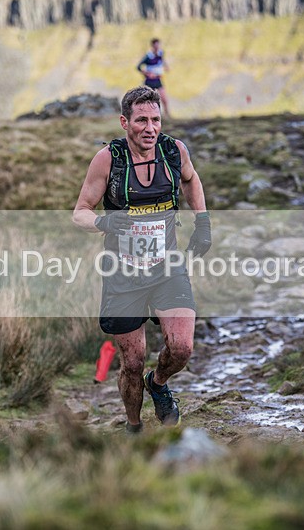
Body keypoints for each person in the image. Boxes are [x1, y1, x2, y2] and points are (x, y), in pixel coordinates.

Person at [73, 86, 211, 433]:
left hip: (167, 267)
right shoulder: (108, 159)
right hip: (123, 274)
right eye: (141, 120)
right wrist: (104, 221)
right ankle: (134, 428)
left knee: (181, 347)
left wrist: (203, 223)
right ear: (125, 122)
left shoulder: (173, 151)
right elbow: (80, 213)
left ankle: (160, 382)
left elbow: (192, 181)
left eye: (156, 120)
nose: (150, 128)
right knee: (131, 363)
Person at [137, 38, 171, 118]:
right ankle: (146, 116)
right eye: (156, 45)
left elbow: (162, 60)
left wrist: (166, 66)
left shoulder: (160, 53)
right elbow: (138, 67)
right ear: (152, 46)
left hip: (158, 79)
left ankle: (167, 115)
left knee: (164, 98)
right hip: (149, 81)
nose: (157, 47)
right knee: (148, 100)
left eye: (158, 45)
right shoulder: (148, 56)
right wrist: (148, 73)